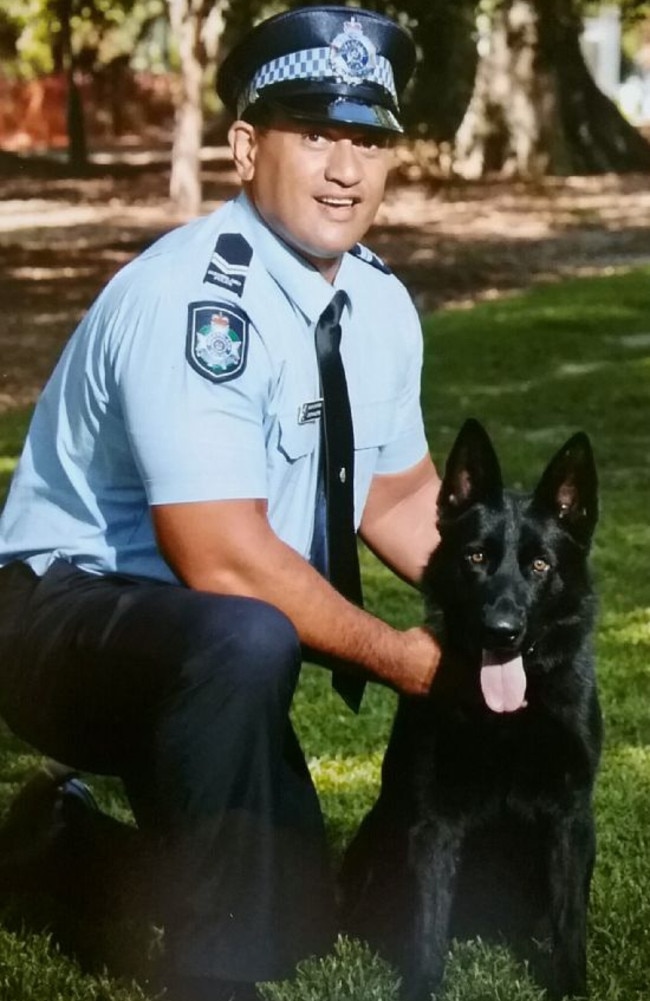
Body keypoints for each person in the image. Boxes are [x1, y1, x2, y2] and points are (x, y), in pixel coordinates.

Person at [0, 5, 442, 1000]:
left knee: (296, 921)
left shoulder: (374, 300)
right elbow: (223, 560)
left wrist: (514, 602)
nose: (344, 169)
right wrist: (402, 658)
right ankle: (206, 977)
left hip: (215, 646)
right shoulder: (198, 302)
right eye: (315, 133)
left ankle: (53, 844)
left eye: (367, 140)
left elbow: (396, 491)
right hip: (63, 617)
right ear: (246, 147)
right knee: (245, 634)